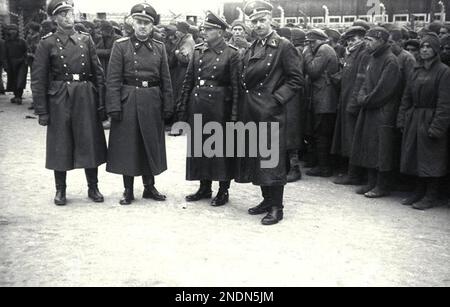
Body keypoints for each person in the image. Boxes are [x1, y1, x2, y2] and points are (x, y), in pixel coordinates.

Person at [31, 0, 107, 206]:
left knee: (89, 140)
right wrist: (42, 110)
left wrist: (102, 102)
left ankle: (93, 186)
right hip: (60, 96)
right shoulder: (47, 43)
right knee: (60, 143)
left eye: (69, 13)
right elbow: (38, 78)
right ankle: (60, 190)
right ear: (54, 19)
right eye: (62, 14)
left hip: (85, 94)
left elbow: (98, 73)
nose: (67, 17)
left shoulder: (86, 39)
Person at [236, 0, 303, 225]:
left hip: (270, 112)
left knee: (271, 160)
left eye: (262, 20)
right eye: (253, 21)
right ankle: (266, 200)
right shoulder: (254, 46)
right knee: (258, 158)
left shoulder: (282, 45)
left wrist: (276, 100)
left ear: (271, 20)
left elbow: (296, 79)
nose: (258, 24)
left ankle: (277, 207)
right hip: (251, 111)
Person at [105, 3, 173, 205]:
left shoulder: (159, 47)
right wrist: (114, 106)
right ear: (132, 23)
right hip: (129, 100)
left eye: (147, 23)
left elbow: (166, 79)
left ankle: (149, 187)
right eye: (139, 22)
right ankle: (128, 190)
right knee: (129, 145)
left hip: (152, 100)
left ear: (152, 26)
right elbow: (113, 79)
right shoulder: (121, 45)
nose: (143, 26)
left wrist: (168, 105)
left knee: (149, 144)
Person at [177, 11, 239, 207]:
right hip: (198, 103)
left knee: (221, 149)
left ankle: (223, 190)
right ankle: (204, 187)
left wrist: (235, 114)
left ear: (220, 32)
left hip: (220, 107)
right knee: (200, 147)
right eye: (204, 28)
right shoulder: (198, 50)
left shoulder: (232, 53)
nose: (204, 32)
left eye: (209, 29)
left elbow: (237, 88)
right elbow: (189, 81)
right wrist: (183, 107)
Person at [397, 33, 450, 210]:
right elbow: (406, 97)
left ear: (436, 50)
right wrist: (402, 118)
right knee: (415, 157)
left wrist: (437, 127)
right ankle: (418, 191)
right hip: (415, 118)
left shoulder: (444, 71)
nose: (425, 50)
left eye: (429, 47)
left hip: (431, 119)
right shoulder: (416, 70)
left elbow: (445, 103)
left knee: (432, 159)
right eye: (423, 47)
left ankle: (431, 195)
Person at [350, 27, 400, 198]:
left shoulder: (391, 60)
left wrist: (366, 100)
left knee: (381, 149)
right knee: (368, 146)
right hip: (370, 108)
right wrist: (362, 97)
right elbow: (364, 82)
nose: (367, 43)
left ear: (381, 41)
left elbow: (384, 89)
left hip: (383, 111)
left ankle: (382, 185)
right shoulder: (372, 58)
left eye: (370, 40)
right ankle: (371, 182)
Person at [332, 26, 370, 186]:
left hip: (353, 102)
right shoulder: (352, 53)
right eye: (348, 39)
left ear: (362, 38)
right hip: (345, 99)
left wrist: (354, 103)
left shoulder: (363, 54)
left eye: (354, 39)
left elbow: (361, 80)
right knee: (347, 138)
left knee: (353, 139)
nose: (350, 42)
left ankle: (354, 174)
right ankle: (350, 171)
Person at [303, 29, 339, 178]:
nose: (310, 46)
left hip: (325, 99)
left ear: (319, 40)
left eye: (311, 43)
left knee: (322, 134)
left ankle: (324, 168)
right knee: (320, 133)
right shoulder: (325, 49)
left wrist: (306, 54)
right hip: (322, 98)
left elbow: (313, 71)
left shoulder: (324, 50)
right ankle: (322, 165)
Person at [5, 24, 28, 105]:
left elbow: (26, 52)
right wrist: (6, 64)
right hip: (11, 63)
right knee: (13, 79)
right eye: (11, 30)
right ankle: (16, 96)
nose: (12, 32)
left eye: (14, 30)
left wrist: (24, 60)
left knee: (20, 80)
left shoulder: (22, 41)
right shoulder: (6, 43)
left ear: (17, 31)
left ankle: (19, 96)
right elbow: (5, 55)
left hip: (21, 63)